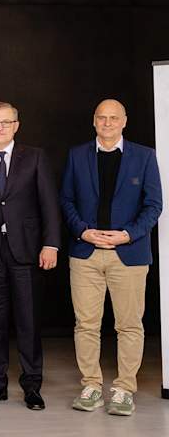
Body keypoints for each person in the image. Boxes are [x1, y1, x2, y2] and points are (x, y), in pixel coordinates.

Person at [61, 99, 162, 416]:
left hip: (128, 254)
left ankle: (124, 390)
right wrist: (83, 231)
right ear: (94, 121)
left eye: (113, 118)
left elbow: (154, 205)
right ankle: (91, 386)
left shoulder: (144, 156)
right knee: (86, 324)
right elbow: (65, 200)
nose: (107, 123)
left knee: (129, 325)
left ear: (124, 121)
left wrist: (128, 234)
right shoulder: (77, 155)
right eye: (101, 118)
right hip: (85, 252)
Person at [0, 101, 61, 410]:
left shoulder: (34, 157)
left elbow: (49, 205)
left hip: (27, 251)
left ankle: (32, 386)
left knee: (28, 321)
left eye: (6, 122)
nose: (0, 127)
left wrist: (51, 244)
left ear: (16, 125)